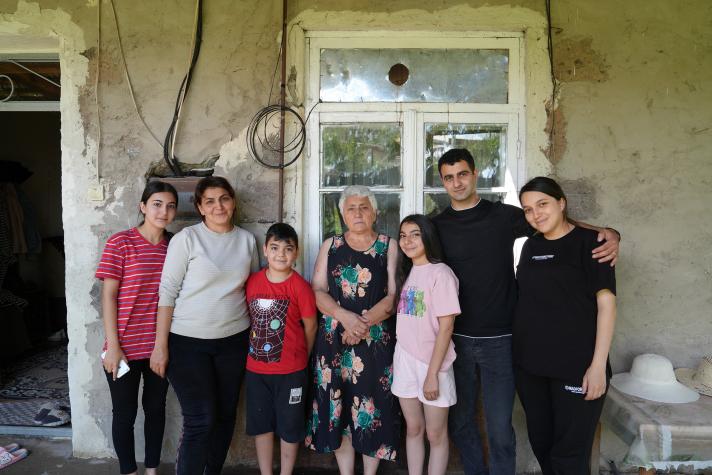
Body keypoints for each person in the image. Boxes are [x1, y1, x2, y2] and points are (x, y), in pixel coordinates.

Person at [430, 148, 620, 475]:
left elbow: (558, 225)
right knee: (461, 423)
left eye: (462, 174)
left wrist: (606, 234)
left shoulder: (505, 216)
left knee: (500, 426)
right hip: (455, 339)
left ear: (475, 175)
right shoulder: (437, 225)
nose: (457, 182)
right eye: (449, 177)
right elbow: (419, 266)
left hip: (501, 339)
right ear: (443, 183)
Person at [151, 176, 259, 475]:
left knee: (225, 416)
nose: (218, 206)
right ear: (200, 207)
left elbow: (251, 289)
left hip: (233, 341)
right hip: (187, 343)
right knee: (201, 418)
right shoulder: (187, 239)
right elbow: (167, 292)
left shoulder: (247, 241)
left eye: (224, 198)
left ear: (233, 202)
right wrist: (160, 346)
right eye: (209, 201)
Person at [514, 177, 616, 475]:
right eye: (528, 209)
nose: (536, 214)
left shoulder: (592, 244)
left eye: (542, 204)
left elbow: (607, 306)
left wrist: (598, 367)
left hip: (578, 367)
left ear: (562, 203)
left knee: (569, 456)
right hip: (531, 368)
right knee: (543, 447)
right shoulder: (531, 246)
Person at [306, 185, 400, 475]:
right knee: (339, 408)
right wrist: (344, 317)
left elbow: (393, 296)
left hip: (373, 342)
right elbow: (318, 290)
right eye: (351, 208)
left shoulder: (388, 245)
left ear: (374, 212)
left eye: (364, 207)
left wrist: (361, 325)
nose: (358, 213)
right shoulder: (331, 245)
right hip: (334, 341)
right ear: (342, 214)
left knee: (373, 406)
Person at [96, 180, 178, 475]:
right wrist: (113, 346)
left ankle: (152, 470)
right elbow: (109, 295)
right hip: (124, 348)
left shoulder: (175, 246)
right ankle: (129, 471)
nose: (163, 211)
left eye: (170, 206)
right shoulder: (120, 243)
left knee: (156, 411)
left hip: (159, 346)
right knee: (125, 414)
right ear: (143, 207)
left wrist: (163, 346)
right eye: (157, 204)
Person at [245, 223, 317, 475]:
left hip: (292, 371)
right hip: (256, 371)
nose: (280, 254)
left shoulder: (300, 287)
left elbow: (310, 326)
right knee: (261, 425)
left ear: (296, 253)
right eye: (274, 248)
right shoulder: (252, 283)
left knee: (290, 425)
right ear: (265, 250)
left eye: (288, 249)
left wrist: (302, 359)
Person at [392, 214, 460, 475]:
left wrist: (432, 375)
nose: (408, 241)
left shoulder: (441, 273)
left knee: (435, 434)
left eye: (415, 234)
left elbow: (447, 327)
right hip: (405, 359)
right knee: (413, 428)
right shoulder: (407, 273)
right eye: (403, 235)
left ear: (428, 237)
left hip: (434, 363)